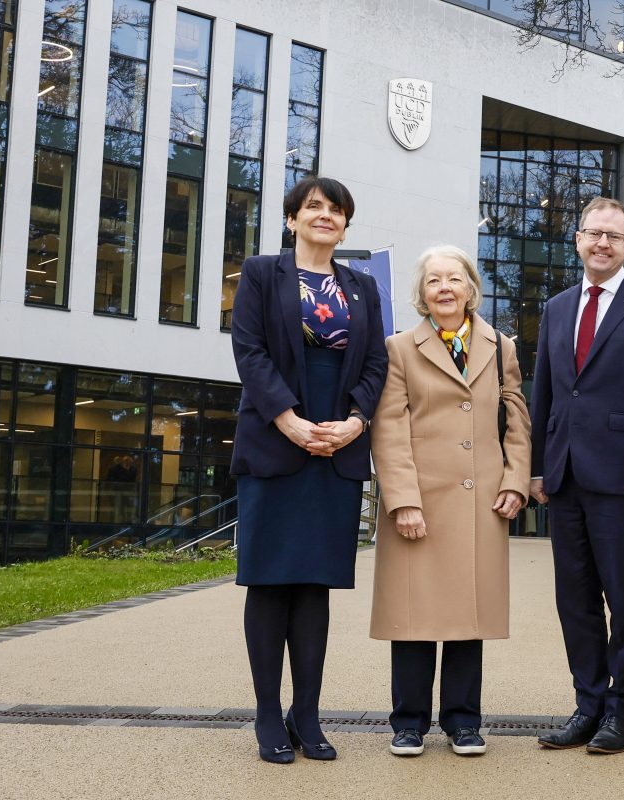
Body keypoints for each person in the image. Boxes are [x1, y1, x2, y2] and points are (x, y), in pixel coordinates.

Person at [230, 176, 388, 764]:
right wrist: (288, 421)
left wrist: (355, 422)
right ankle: (269, 715)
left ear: (346, 224)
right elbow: (250, 352)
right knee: (271, 581)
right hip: (276, 445)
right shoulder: (260, 273)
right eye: (314, 208)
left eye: (337, 210)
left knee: (315, 584)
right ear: (292, 219)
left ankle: (309, 715)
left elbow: (376, 361)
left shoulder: (363, 287)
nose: (326, 216)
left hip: (338, 445)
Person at [530, 197, 624, 754]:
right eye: (593, 233)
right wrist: (534, 470)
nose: (602, 243)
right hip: (565, 474)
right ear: (578, 240)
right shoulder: (557, 306)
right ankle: (587, 705)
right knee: (574, 599)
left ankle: (623, 714)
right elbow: (544, 392)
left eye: (613, 236)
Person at [370, 245, 531, 758]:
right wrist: (402, 501)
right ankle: (409, 722)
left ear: (470, 289)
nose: (444, 287)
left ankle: (464, 722)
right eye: (434, 280)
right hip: (421, 498)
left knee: (469, 614)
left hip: (482, 497)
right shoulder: (398, 348)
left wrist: (515, 480)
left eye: (454, 279)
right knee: (414, 615)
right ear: (421, 293)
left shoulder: (500, 345)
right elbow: (389, 428)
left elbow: (517, 421)